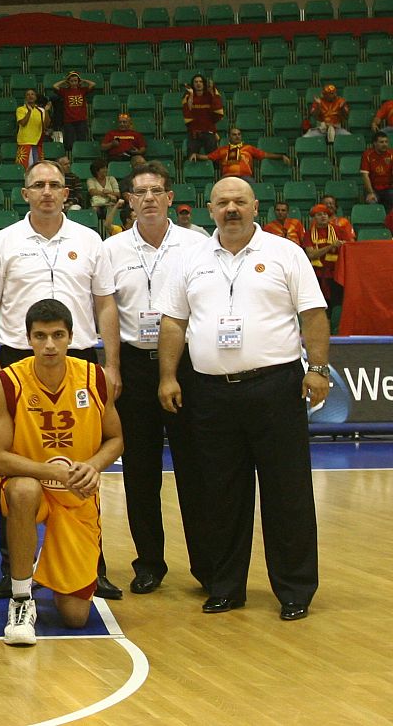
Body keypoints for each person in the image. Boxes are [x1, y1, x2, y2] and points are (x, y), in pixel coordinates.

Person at [157, 177, 328, 621]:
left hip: (275, 387)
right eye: (222, 203)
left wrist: (318, 368)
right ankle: (226, 586)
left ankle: (294, 590)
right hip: (210, 392)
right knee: (220, 494)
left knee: (286, 492)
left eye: (239, 202)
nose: (231, 209)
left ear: (256, 206)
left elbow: (313, 314)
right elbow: (174, 322)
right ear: (209, 209)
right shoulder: (190, 258)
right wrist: (168, 376)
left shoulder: (285, 253)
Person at [0, 160, 122, 600]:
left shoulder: (90, 239)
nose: (46, 191)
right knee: (18, 469)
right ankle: (12, 568)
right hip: (20, 356)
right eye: (37, 185)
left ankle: (91, 564)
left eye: (54, 185)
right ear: (25, 194)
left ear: (66, 194)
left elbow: (106, 304)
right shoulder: (3, 242)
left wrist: (111, 364)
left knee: (83, 463)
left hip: (78, 353)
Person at [0, 299, 124, 645]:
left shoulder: (95, 378)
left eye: (58, 335)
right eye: (41, 336)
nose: (49, 344)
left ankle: (50, 568)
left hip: (77, 494)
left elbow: (116, 439)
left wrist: (92, 466)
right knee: (22, 490)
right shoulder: (9, 382)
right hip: (30, 486)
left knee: (75, 617)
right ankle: (20, 598)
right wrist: (48, 472)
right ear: (28, 339)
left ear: (72, 337)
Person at [101, 161, 209, 595]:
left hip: (187, 365)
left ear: (169, 198)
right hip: (132, 365)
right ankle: (149, 563)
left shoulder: (197, 244)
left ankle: (208, 564)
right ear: (128, 201)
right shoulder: (111, 250)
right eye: (139, 192)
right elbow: (105, 311)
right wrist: (112, 366)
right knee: (139, 472)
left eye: (156, 191)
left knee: (196, 468)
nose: (148, 198)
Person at [189, 126, 291, 182]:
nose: (237, 136)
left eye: (239, 134)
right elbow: (208, 157)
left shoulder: (248, 148)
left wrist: (281, 156)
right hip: (228, 178)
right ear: (229, 137)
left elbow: (266, 155)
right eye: (234, 134)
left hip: (245, 177)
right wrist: (196, 155)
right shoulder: (223, 149)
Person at [304, 203, 352, 313]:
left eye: (325, 214)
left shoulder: (339, 230)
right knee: (320, 306)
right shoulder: (309, 233)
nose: (323, 216)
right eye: (319, 214)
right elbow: (311, 255)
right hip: (317, 275)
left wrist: (343, 245)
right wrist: (331, 246)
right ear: (314, 218)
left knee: (337, 305)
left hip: (337, 274)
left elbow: (349, 248)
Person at [49, 72, 96, 150]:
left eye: (75, 81)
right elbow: (54, 86)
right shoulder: (65, 91)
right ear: (69, 82)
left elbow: (93, 84)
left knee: (81, 141)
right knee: (69, 142)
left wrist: (83, 80)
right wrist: (64, 81)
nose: (74, 83)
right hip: (69, 120)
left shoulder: (82, 90)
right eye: (71, 81)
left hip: (81, 119)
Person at [181, 75, 225, 155]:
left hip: (209, 132)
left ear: (204, 83)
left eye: (200, 81)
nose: (198, 83)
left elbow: (216, 105)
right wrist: (191, 94)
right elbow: (188, 109)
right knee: (191, 157)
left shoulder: (209, 95)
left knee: (213, 158)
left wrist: (212, 90)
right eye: (196, 82)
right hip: (194, 133)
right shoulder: (188, 96)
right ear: (193, 84)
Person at [14, 89, 47, 168]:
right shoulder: (20, 109)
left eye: (32, 94)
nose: (30, 96)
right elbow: (23, 123)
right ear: (25, 98)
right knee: (24, 169)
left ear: (36, 97)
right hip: (25, 142)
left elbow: (45, 125)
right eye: (28, 94)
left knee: (38, 169)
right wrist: (29, 111)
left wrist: (46, 111)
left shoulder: (41, 110)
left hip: (37, 142)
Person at [361, 131, 393, 210]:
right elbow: (365, 176)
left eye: (386, 142)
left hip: (389, 188)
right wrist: (371, 193)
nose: (385, 144)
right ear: (375, 143)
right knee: (372, 202)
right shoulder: (367, 155)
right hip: (373, 189)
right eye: (381, 142)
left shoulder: (391, 154)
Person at [87, 159, 121, 232]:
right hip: (97, 204)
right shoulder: (91, 180)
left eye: (106, 167)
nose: (106, 170)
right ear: (97, 170)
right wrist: (109, 194)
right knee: (94, 210)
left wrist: (108, 192)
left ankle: (110, 232)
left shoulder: (111, 179)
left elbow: (118, 193)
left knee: (110, 209)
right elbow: (92, 191)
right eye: (103, 168)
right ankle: (96, 233)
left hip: (110, 204)